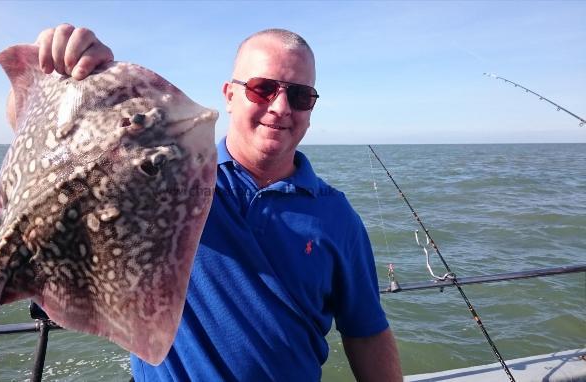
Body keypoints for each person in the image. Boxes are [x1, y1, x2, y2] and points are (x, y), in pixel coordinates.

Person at [33, 24, 402, 381]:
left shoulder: (336, 215)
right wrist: (60, 72)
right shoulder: (162, 179)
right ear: (229, 95)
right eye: (263, 89)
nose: (281, 107)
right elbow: (57, 152)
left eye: (300, 95)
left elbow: (365, 330)